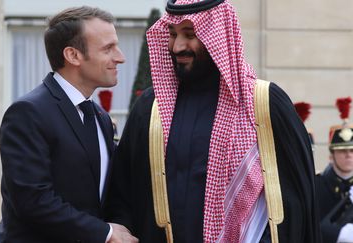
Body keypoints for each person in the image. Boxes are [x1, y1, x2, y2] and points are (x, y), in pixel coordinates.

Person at [104, 0, 321, 242]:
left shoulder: (264, 104)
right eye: (173, 34)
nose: (177, 46)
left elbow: (296, 200)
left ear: (218, 36)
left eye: (190, 35)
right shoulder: (151, 108)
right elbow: (123, 195)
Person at [0, 6, 138, 243]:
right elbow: (33, 201)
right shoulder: (28, 113)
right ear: (73, 55)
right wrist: (106, 233)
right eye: (108, 48)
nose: (120, 57)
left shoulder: (101, 118)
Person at [316, 97, 353, 243]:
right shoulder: (317, 185)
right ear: (331, 156)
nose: (348, 155)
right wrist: (340, 233)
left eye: (351, 150)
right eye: (342, 150)